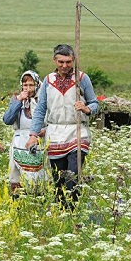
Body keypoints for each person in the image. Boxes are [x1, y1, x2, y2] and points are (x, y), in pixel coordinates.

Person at [25, 44, 99, 209]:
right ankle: (62, 213)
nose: (65, 66)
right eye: (61, 62)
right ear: (54, 60)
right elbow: (41, 110)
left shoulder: (82, 79)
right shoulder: (48, 81)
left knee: (72, 177)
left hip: (77, 131)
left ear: (74, 60)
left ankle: (72, 211)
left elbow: (95, 103)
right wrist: (33, 135)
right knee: (59, 180)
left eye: (68, 62)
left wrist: (87, 108)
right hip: (55, 133)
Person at [2, 70, 48, 194]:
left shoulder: (43, 100)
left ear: (38, 85)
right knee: (17, 177)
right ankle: (18, 202)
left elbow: (50, 122)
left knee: (38, 176)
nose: (28, 88)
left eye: (31, 85)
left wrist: (44, 130)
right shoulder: (17, 100)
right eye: (25, 85)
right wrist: (18, 101)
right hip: (19, 143)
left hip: (39, 142)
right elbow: (7, 120)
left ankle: (38, 198)